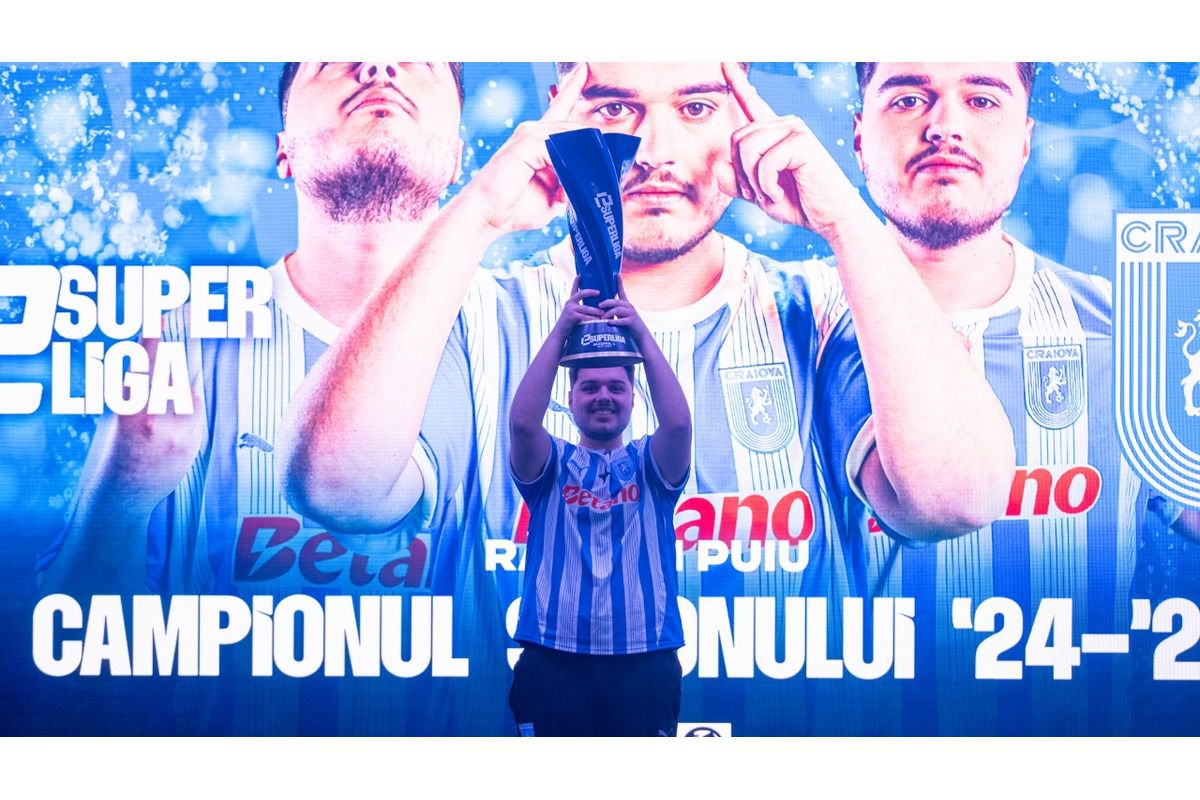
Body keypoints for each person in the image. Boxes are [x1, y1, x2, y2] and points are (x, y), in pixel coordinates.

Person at [278, 62, 1016, 735]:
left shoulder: (829, 312)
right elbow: (338, 488)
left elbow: (955, 501)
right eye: (614, 110)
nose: (655, 151)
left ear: (742, 123)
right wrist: (478, 217)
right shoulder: (475, 316)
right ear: (560, 119)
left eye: (695, 109)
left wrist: (845, 223)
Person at [35, 62, 507, 734]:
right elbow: (68, 675)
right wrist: (123, 494)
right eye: (335, 55)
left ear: (458, 157)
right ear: (283, 151)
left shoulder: (532, 329)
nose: (379, 66)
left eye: (421, 60)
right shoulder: (184, 343)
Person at [817, 61, 1173, 734]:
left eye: (981, 99)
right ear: (859, 138)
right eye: (908, 98)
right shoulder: (783, 325)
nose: (944, 126)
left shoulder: (1136, 335)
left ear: (1026, 138)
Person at [506, 280, 690, 735]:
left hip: (644, 660)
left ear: (633, 398)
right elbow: (523, 424)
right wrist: (562, 330)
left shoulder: (650, 464)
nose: (603, 396)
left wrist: (640, 333)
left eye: (616, 387)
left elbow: (679, 424)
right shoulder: (551, 463)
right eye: (589, 387)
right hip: (553, 659)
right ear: (569, 399)